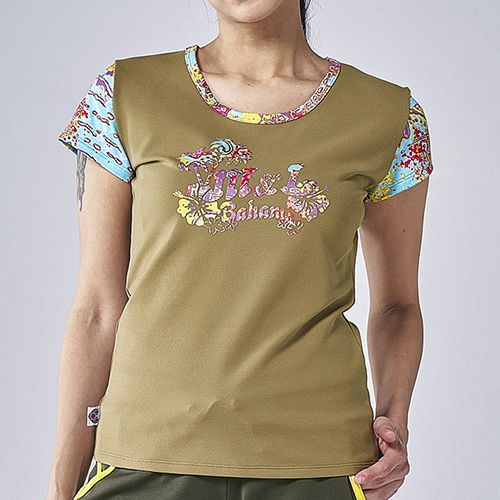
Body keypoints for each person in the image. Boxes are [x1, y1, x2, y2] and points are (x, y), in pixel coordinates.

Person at [47, 1, 434, 499]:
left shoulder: (388, 116)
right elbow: (97, 309)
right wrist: (60, 487)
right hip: (143, 457)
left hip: (319, 464)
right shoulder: (123, 97)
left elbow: (398, 305)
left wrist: (394, 423)